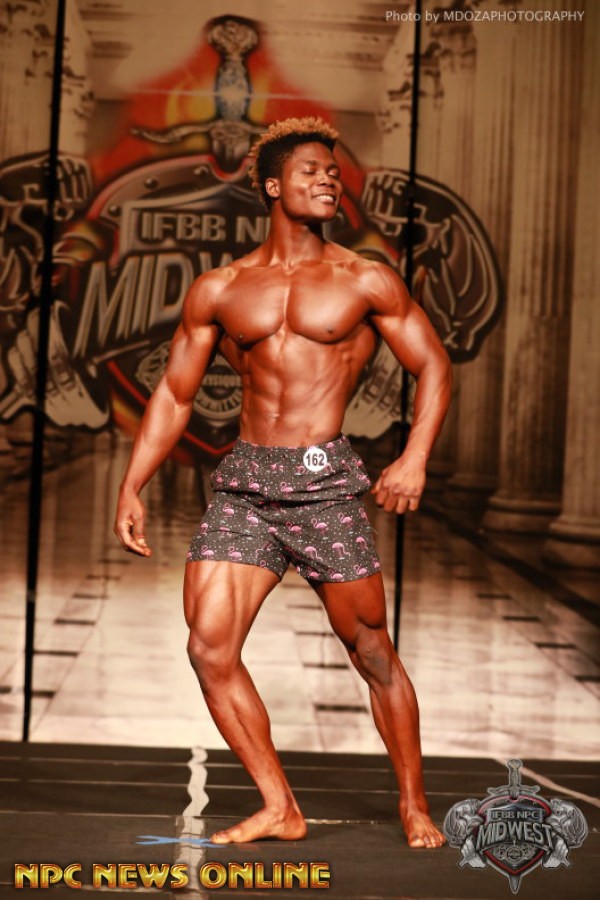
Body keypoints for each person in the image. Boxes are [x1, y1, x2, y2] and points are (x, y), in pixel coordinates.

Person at [114, 117, 452, 849]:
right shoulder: (221, 287)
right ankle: (280, 806)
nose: (328, 180)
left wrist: (414, 457)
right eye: (310, 171)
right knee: (209, 648)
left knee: (371, 651)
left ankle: (414, 803)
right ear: (272, 185)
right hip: (246, 484)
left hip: (324, 483)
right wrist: (132, 484)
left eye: (333, 173)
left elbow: (433, 365)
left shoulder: (365, 278)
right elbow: (175, 393)